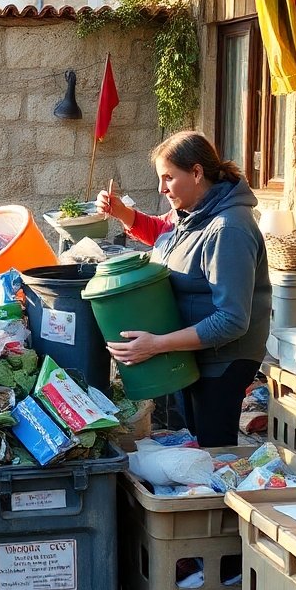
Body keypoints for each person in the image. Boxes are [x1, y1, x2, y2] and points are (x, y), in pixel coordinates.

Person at [95, 131, 271, 446]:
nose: (161, 189)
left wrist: (158, 344)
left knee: (215, 451)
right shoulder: (191, 214)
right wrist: (121, 212)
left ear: (197, 172)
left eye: (168, 178)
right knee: (193, 447)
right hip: (191, 354)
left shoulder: (228, 229)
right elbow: (163, 232)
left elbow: (232, 320)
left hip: (222, 362)